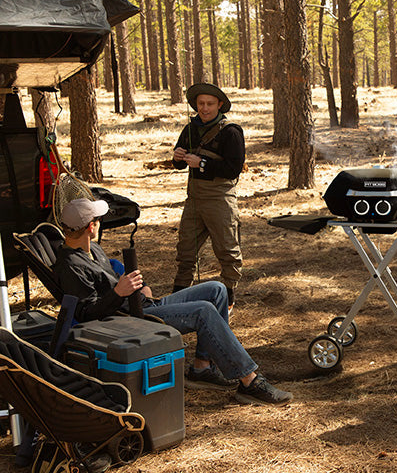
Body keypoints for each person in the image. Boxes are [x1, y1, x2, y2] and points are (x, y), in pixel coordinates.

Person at [52, 196, 292, 406]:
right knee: (203, 311)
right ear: (91, 227)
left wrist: (138, 288)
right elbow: (85, 314)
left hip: (140, 304)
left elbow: (113, 282)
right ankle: (249, 381)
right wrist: (119, 293)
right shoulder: (70, 265)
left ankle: (201, 368)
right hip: (130, 320)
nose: (100, 224)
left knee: (217, 290)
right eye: (98, 220)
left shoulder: (92, 249)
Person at [172, 83, 245, 310]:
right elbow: (178, 166)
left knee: (226, 249)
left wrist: (202, 163)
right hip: (193, 199)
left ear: (220, 105)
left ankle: (228, 298)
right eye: (201, 104)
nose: (204, 109)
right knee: (185, 249)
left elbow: (233, 169)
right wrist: (177, 157)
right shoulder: (190, 129)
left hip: (219, 199)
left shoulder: (231, 131)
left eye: (210, 104)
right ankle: (178, 297)